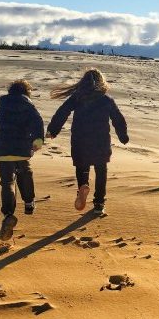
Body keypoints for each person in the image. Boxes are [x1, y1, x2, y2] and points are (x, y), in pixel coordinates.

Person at [46, 68, 128, 216]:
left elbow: (62, 112)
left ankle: (83, 185)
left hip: (80, 139)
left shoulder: (77, 97)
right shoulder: (106, 99)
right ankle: (99, 204)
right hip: (100, 141)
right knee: (101, 170)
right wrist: (123, 136)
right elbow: (118, 119)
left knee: (82, 166)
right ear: (101, 82)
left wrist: (53, 130)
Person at [0, 79, 44, 240]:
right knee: (25, 173)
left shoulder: (3, 104)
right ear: (27, 92)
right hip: (21, 148)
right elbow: (38, 122)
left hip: (3, 149)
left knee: (7, 182)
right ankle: (29, 203)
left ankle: (8, 214)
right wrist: (37, 141)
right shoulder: (28, 105)